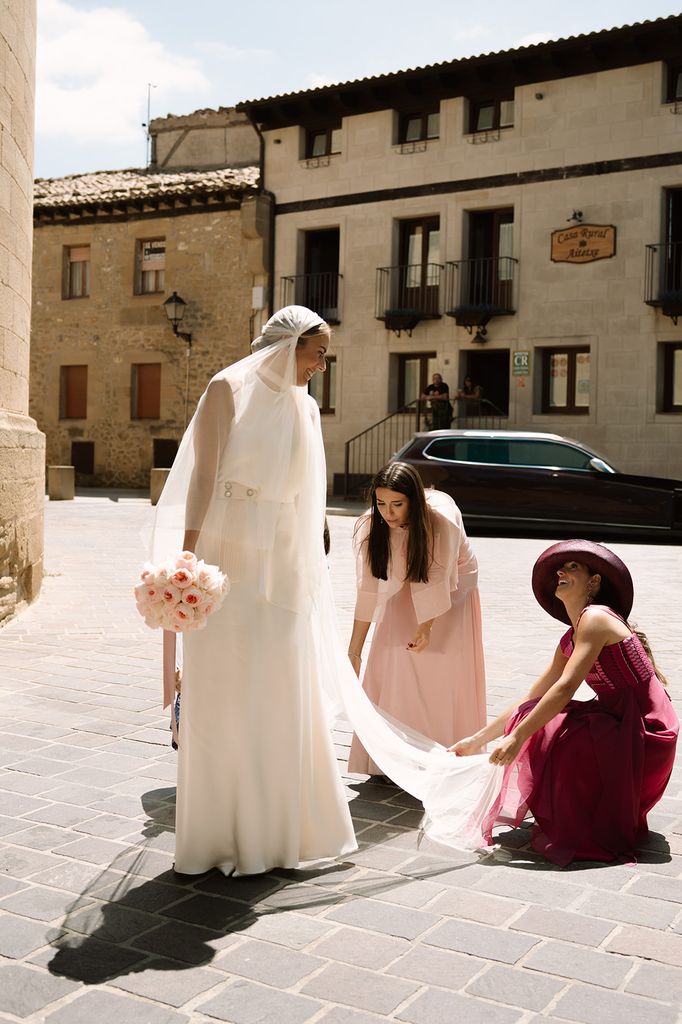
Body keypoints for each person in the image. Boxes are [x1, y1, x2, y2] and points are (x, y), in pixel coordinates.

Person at [151, 305, 357, 876]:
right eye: (318, 353)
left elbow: (307, 497)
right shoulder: (227, 388)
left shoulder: (307, 407)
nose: (321, 365)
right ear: (291, 345)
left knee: (278, 688)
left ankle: (277, 833)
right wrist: (187, 558)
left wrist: (310, 563)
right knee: (220, 691)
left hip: (283, 565)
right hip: (225, 554)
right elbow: (203, 475)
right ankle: (218, 836)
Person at [452, 540, 679, 866]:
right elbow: (533, 697)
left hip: (646, 729)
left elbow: (565, 688)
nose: (561, 570)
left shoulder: (597, 618)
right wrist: (478, 740)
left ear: (594, 582)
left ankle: (583, 818)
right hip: (618, 719)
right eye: (561, 567)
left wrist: (517, 737)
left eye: (573, 566)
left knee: (556, 731)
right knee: (538, 717)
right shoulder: (570, 638)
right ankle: (579, 811)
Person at [347, 463, 487, 775]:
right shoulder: (372, 526)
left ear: (414, 500)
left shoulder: (441, 521)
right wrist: (354, 651)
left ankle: (440, 752)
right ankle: (391, 756)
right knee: (392, 654)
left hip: (454, 582)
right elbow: (368, 589)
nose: (388, 513)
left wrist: (426, 627)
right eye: (381, 503)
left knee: (436, 660)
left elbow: (437, 579)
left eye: (397, 504)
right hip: (408, 577)